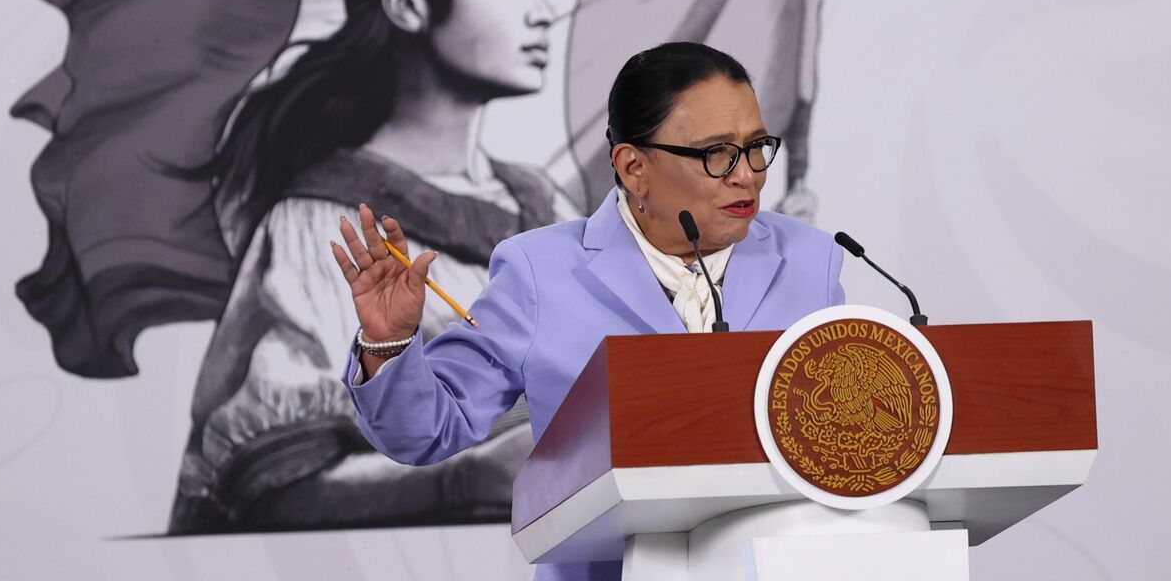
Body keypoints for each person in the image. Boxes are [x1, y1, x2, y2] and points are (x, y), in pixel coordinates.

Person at [334, 41, 845, 580]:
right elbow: (427, 432)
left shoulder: (809, 259)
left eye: (757, 146)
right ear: (634, 167)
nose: (749, 175)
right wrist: (388, 344)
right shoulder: (541, 272)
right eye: (717, 153)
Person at [169, 0, 578, 533]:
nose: (540, 11)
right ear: (407, 4)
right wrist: (469, 476)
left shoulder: (549, 205)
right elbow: (272, 486)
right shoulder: (324, 224)